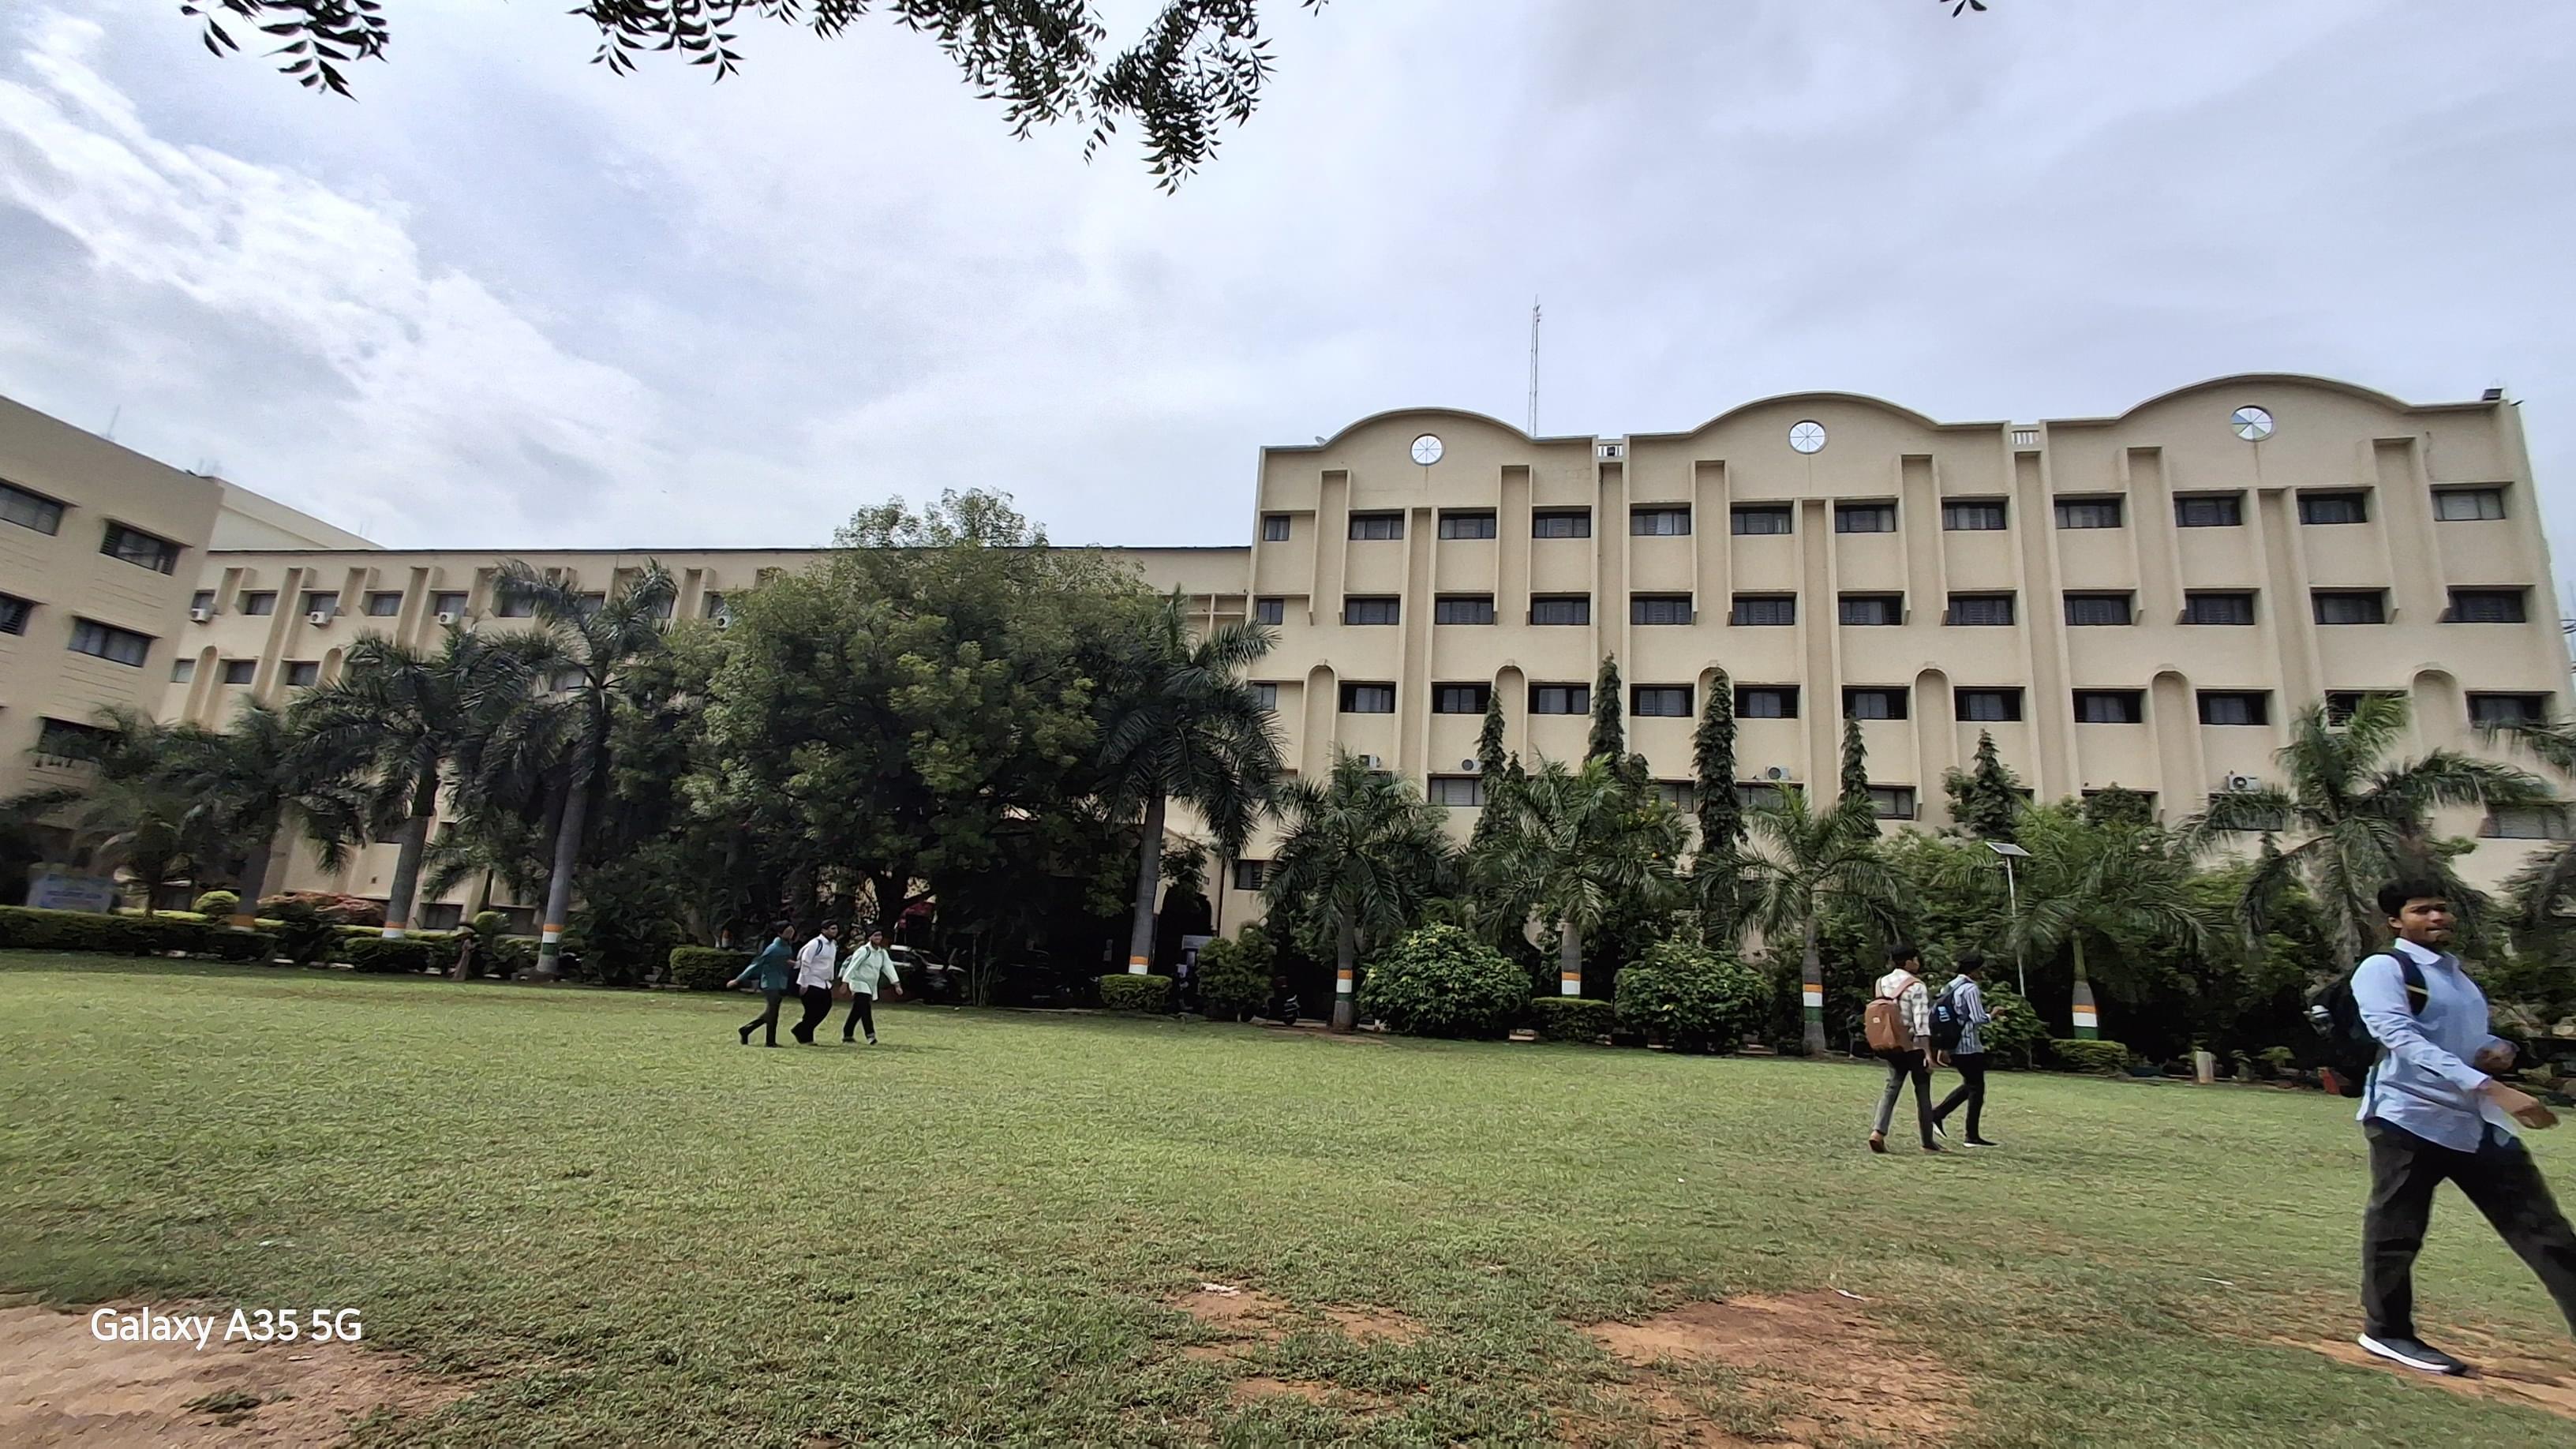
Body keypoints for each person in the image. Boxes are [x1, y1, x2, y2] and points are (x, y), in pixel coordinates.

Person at [2351, 878, 2576, 1375]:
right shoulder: (2384, 968)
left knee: (2546, 1232)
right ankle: (2387, 1332)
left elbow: (2457, 1039)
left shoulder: (2456, 975)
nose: (2437, 918)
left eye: (2442, 910)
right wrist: (2492, 1088)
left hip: (2475, 1123)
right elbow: (2399, 1037)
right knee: (2397, 1230)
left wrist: (2497, 1050)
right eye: (2422, 911)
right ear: (2395, 921)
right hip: (2408, 1117)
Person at [1868, 942, 1941, 1155]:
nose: (1918, 963)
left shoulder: (1881, 982)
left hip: (1890, 1043)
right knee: (1922, 1091)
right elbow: (1921, 1021)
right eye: (1916, 959)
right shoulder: (1916, 985)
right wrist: (1927, 1052)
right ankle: (1928, 1141)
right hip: (1912, 1045)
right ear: (1909, 961)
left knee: (1892, 1087)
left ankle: (1878, 1131)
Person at [1930, 953, 1999, 1148]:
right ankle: (1971, 1134)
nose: (1982, 973)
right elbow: (1977, 1018)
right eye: (1980, 969)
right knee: (1976, 1087)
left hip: (1952, 1043)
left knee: (1971, 1084)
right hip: (1968, 1044)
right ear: (1973, 970)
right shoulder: (1970, 989)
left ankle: (1939, 1114)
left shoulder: (1950, 986)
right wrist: (1992, 1015)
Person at [731, 923, 801, 1047]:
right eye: (788, 931)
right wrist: (738, 980)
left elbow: (783, 961)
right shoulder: (773, 949)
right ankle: (770, 1041)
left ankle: (747, 1030)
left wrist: (790, 963)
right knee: (773, 1013)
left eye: (792, 931)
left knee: (770, 1013)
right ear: (780, 933)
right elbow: (756, 964)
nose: (791, 933)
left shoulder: (787, 946)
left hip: (781, 982)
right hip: (770, 983)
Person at [838, 928, 902, 1044]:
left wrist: (896, 984)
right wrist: (845, 982)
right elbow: (852, 966)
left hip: (870, 985)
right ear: (870, 937)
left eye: (879, 935)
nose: (878, 938)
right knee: (865, 1008)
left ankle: (847, 1034)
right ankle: (870, 1035)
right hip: (859, 982)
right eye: (875, 936)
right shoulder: (864, 951)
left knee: (858, 1010)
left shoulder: (882, 953)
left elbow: (888, 968)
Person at [791, 921, 841, 1045]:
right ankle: (806, 1037)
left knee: (825, 1007)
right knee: (812, 1011)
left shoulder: (833, 945)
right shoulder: (815, 944)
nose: (835, 931)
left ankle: (801, 1030)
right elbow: (805, 961)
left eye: (836, 929)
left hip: (824, 982)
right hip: (811, 981)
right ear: (824, 930)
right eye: (832, 929)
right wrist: (803, 983)